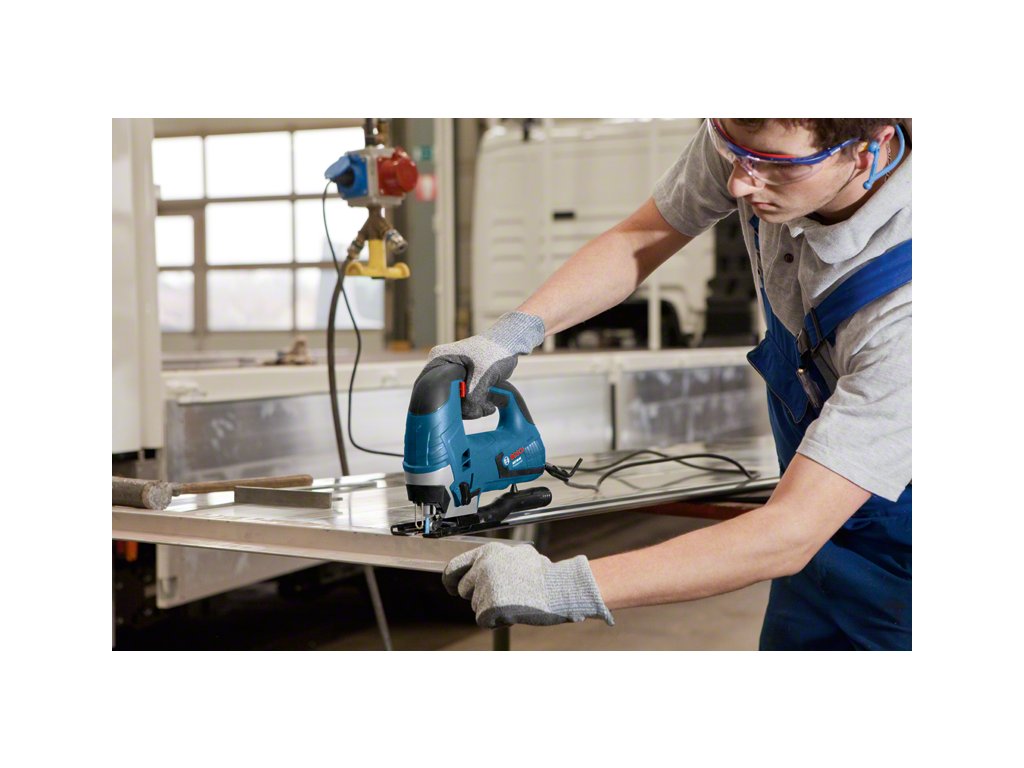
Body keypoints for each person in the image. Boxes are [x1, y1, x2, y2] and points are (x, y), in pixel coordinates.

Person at [426, 118, 911, 650]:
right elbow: (641, 238)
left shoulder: (908, 313)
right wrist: (511, 334)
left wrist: (559, 585)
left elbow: (791, 531)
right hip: (810, 562)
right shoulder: (755, 137)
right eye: (731, 151)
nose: (739, 185)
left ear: (869, 150)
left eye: (775, 167)